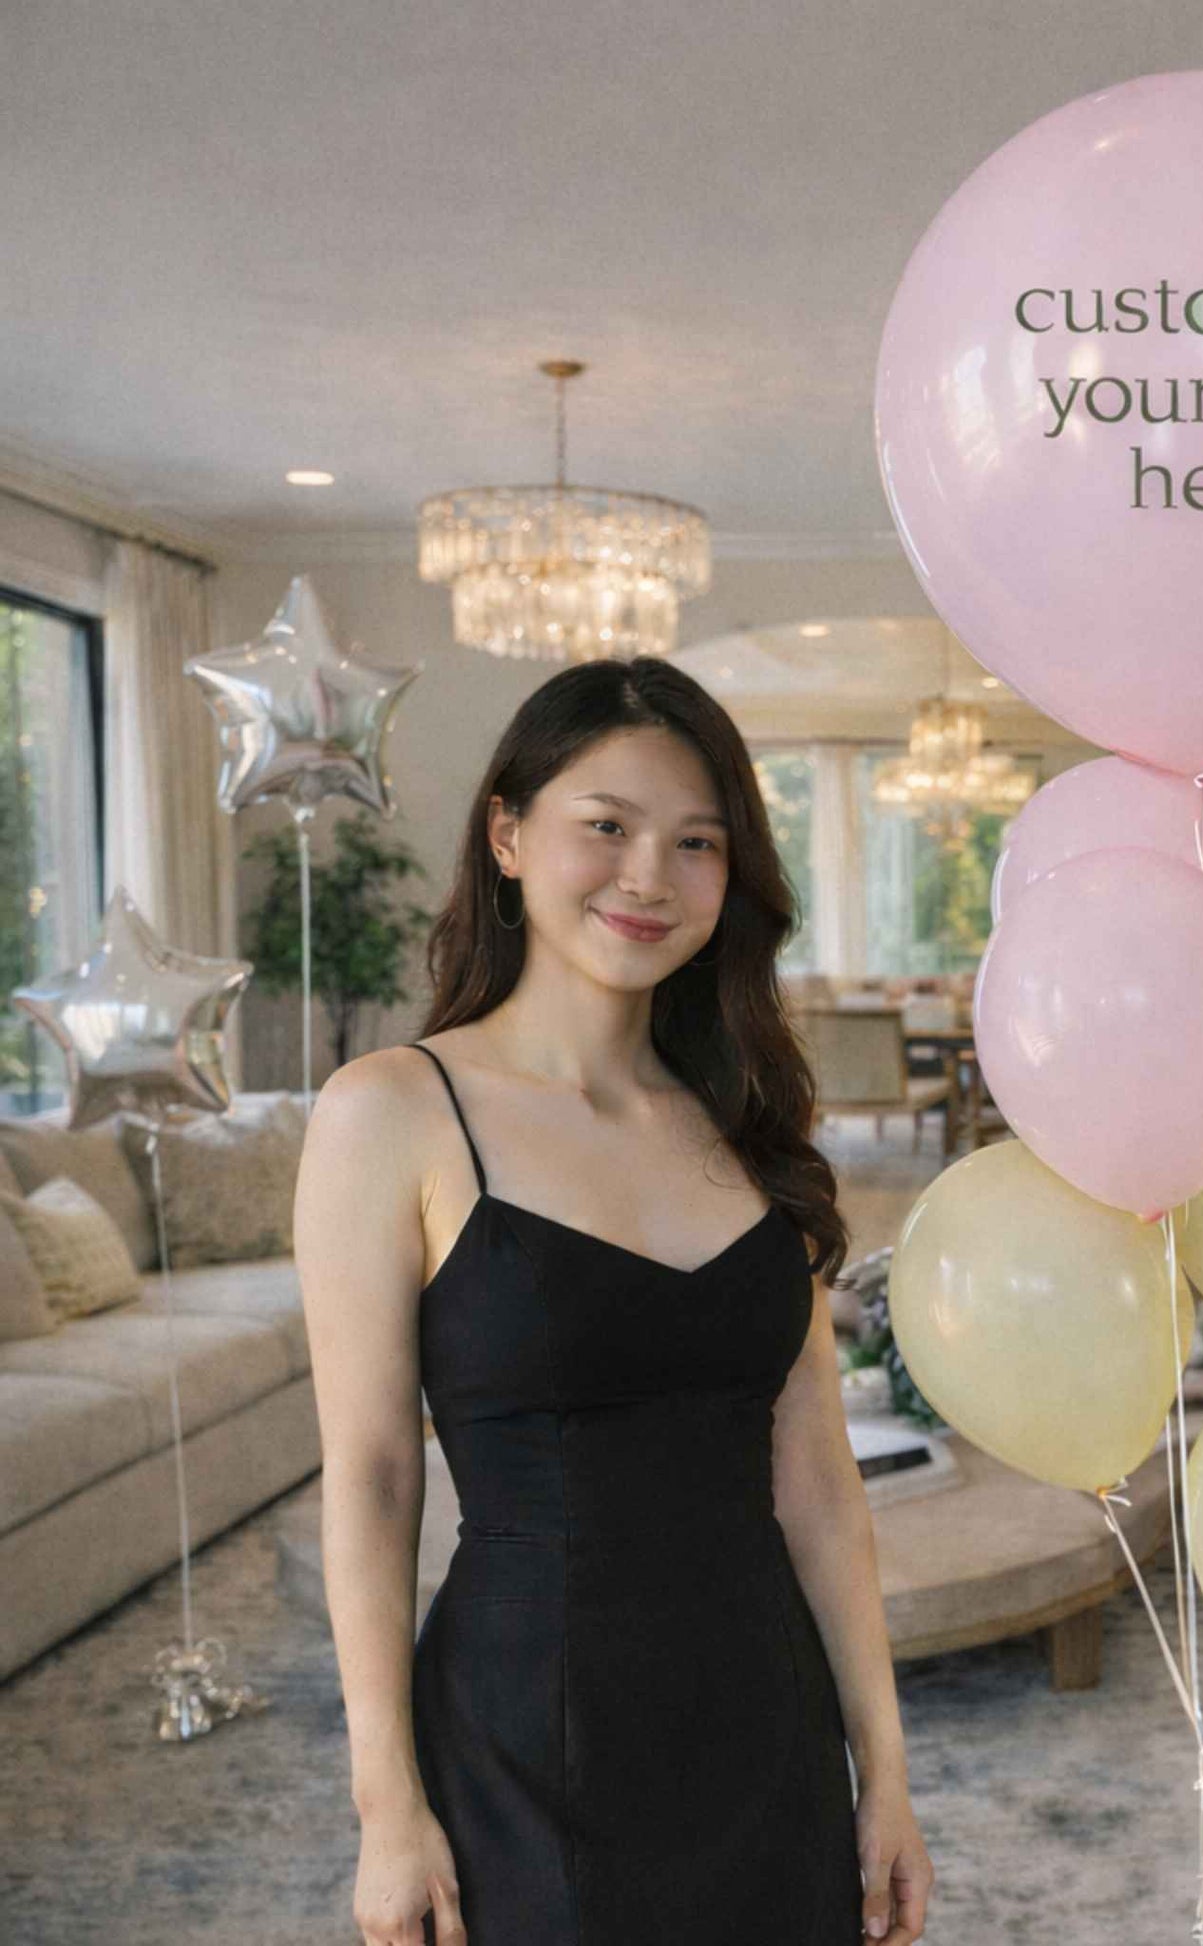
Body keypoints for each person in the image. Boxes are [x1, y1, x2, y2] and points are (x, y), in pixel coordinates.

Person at [293, 655, 932, 1945]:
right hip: (528, 1735)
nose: (650, 876)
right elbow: (368, 1478)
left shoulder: (749, 1117)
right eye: (608, 826)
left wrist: (889, 1776)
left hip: (765, 1718)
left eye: (697, 842)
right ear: (509, 834)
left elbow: (815, 1476)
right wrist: (386, 1809)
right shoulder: (392, 1114)